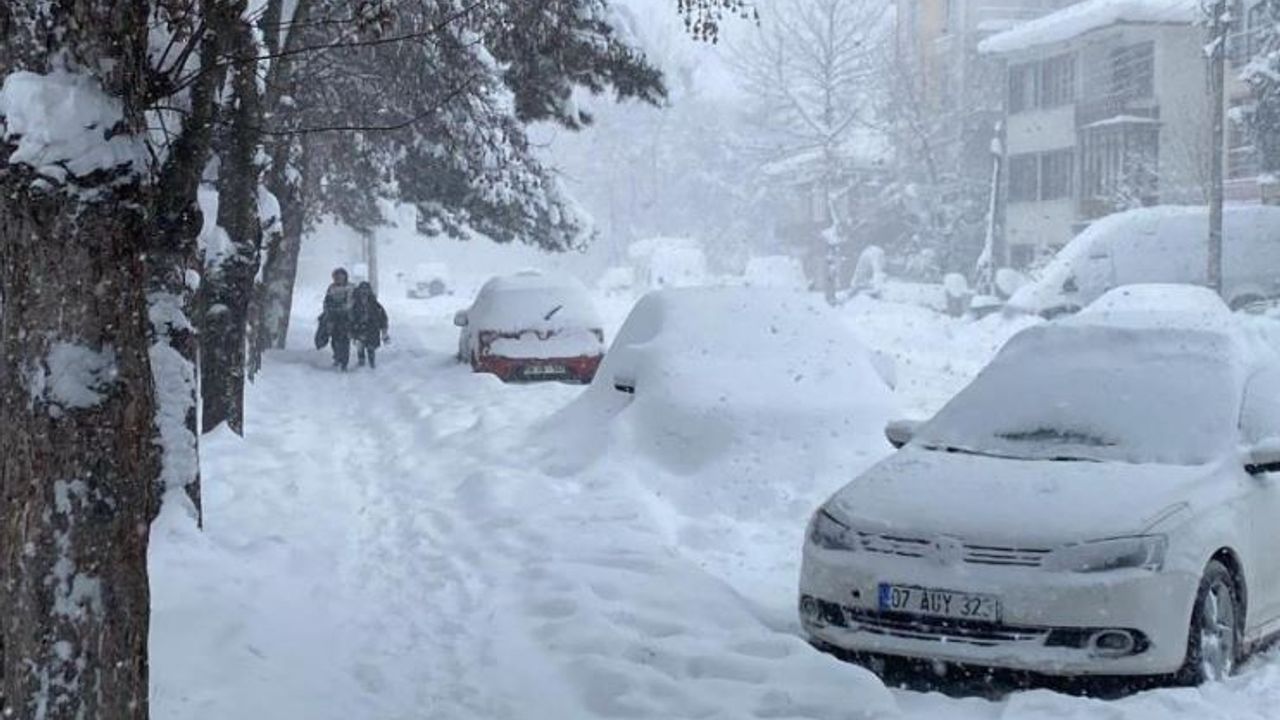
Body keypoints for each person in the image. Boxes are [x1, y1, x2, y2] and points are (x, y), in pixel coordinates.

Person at [322, 268, 355, 370]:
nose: (339, 278)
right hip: (333, 317)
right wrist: (328, 311)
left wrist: (344, 308)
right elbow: (327, 301)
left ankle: (344, 362)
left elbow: (352, 302)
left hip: (346, 318)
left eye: (341, 276)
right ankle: (337, 356)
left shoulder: (351, 287)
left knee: (345, 340)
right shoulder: (331, 288)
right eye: (337, 276)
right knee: (334, 339)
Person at [351, 281, 389, 369]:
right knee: (360, 347)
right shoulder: (354, 304)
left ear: (369, 291)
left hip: (372, 329)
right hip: (359, 329)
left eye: (366, 289)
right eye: (362, 289)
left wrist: (384, 330)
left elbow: (382, 317)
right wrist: (352, 329)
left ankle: (372, 364)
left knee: (371, 347)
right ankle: (361, 363)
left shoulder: (375, 304)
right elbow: (351, 317)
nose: (364, 291)